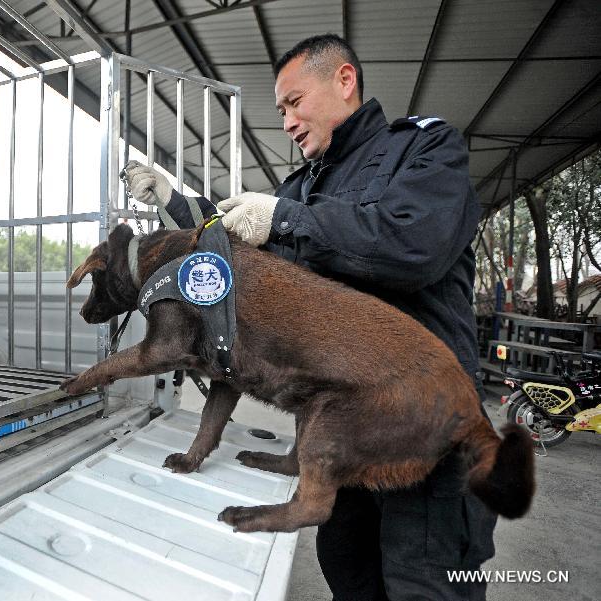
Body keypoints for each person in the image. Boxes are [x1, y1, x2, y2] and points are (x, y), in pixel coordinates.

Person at [123, 34, 498, 601]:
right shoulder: (302, 186)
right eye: (280, 111)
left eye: (295, 101)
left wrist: (288, 219)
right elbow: (240, 253)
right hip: (339, 428)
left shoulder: (423, 150)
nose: (288, 122)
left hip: (423, 422)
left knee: (424, 579)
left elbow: (413, 245)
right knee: (347, 567)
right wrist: (176, 200)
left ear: (344, 81)